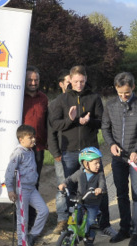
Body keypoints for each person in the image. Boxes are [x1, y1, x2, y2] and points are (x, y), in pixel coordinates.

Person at [49, 66, 115, 237]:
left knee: (100, 187)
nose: (79, 84)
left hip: (89, 151)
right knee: (69, 188)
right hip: (69, 151)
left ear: (86, 79)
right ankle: (69, 224)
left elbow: (102, 122)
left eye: (82, 81)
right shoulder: (61, 100)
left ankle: (104, 223)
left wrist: (89, 121)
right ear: (69, 80)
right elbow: (55, 124)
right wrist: (71, 120)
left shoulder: (94, 98)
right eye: (76, 81)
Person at [101, 72, 137, 246]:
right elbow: (105, 128)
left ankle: (136, 231)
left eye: (127, 93)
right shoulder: (110, 105)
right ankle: (124, 228)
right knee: (121, 193)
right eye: (120, 93)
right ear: (116, 89)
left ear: (133, 88)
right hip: (118, 158)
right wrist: (111, 145)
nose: (123, 96)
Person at [4, 125, 49, 246]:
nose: (34, 139)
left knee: (44, 210)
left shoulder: (30, 151)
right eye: (30, 137)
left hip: (32, 188)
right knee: (23, 217)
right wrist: (10, 189)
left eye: (34, 136)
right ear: (21, 139)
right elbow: (9, 172)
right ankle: (21, 244)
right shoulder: (18, 153)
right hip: (21, 189)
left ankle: (31, 236)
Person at [58, 147, 107, 246]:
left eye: (99, 163)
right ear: (85, 164)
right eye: (95, 163)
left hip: (93, 203)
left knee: (90, 222)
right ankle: (71, 234)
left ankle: (89, 240)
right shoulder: (80, 173)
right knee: (75, 218)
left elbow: (103, 185)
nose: (98, 165)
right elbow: (70, 179)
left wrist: (100, 189)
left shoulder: (99, 175)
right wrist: (64, 183)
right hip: (80, 201)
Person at [22, 66, 48, 230]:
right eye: (30, 80)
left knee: (34, 183)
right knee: (20, 183)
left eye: (35, 79)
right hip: (21, 148)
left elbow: (46, 122)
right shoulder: (18, 97)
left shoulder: (44, 98)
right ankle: (21, 217)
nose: (33, 82)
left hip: (38, 148)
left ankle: (31, 219)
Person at [49, 69, 71, 235]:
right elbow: (51, 132)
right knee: (62, 187)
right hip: (62, 153)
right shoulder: (55, 104)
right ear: (61, 84)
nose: (71, 85)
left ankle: (79, 218)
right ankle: (62, 220)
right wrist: (56, 153)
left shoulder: (79, 101)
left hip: (79, 152)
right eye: (68, 82)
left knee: (81, 187)